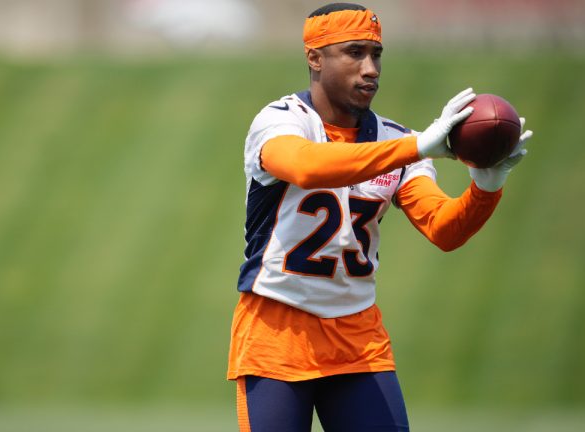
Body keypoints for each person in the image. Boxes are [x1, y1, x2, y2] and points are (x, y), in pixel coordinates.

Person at [227, 3, 533, 431]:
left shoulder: (398, 141)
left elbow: (443, 229)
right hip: (278, 331)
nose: (370, 68)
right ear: (314, 57)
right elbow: (306, 167)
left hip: (358, 335)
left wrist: (487, 185)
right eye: (354, 53)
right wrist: (417, 147)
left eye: (376, 54)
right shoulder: (281, 121)